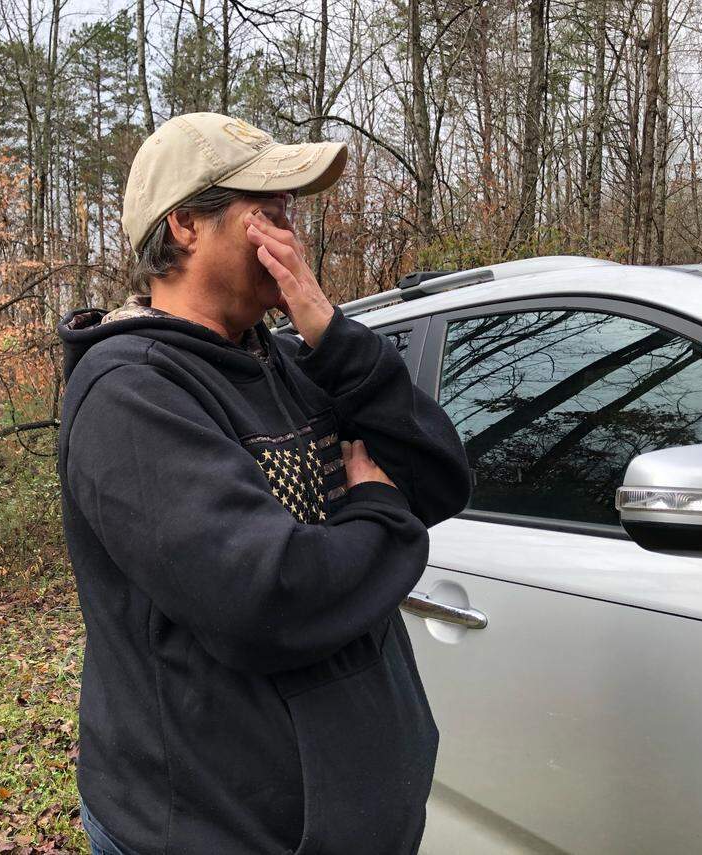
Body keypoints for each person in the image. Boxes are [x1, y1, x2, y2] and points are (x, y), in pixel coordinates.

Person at [55, 112, 471, 855]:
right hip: (217, 832)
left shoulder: (288, 362)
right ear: (185, 224)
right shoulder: (130, 393)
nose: (289, 234)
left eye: (289, 213)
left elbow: (438, 480)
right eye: (268, 212)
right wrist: (379, 513)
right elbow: (266, 598)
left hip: (346, 819)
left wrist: (331, 333)